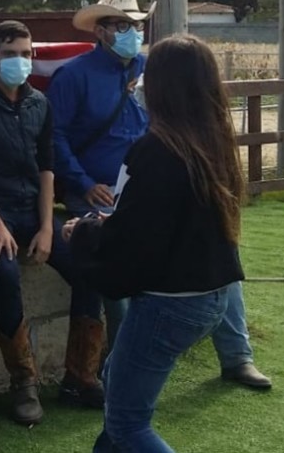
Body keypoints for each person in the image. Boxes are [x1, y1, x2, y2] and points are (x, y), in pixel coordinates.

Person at [49, 0, 270, 389]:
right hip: (100, 190)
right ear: (100, 31)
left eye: (135, 24)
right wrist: (83, 182)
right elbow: (56, 137)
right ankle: (119, 365)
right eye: (121, 25)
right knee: (115, 270)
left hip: (159, 185)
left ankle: (237, 355)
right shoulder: (74, 76)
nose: (132, 32)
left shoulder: (154, 70)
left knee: (221, 252)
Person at [66, 34, 248, 453]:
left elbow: (135, 240)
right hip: (212, 295)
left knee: (128, 424)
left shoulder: (157, 150)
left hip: (170, 303)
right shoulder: (213, 142)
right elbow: (164, 223)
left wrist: (84, 232)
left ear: (164, 87)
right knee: (117, 387)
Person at [0, 21, 105, 426]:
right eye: (9, 54)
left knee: (89, 266)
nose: (19, 61)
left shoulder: (39, 102)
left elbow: (46, 167)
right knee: (3, 273)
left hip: (32, 211)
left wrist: (48, 227)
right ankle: (24, 382)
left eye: (25, 54)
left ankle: (80, 376)